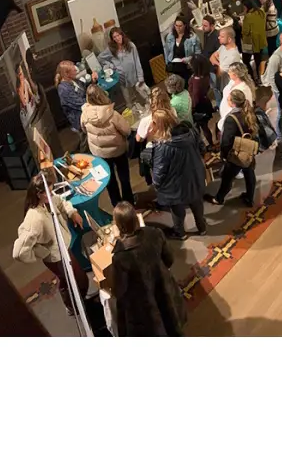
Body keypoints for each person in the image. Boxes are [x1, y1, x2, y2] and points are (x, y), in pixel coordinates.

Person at [13, 173, 88, 317]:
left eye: (51, 189)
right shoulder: (34, 219)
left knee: (69, 279)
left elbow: (60, 201)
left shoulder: (48, 199)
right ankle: (73, 306)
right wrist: (42, 252)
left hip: (63, 248)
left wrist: (72, 212)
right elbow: (19, 252)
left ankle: (72, 304)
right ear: (38, 194)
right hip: (56, 257)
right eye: (48, 191)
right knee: (79, 280)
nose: (51, 193)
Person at [109, 201, 187, 336]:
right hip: (165, 290)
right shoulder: (155, 233)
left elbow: (120, 291)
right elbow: (169, 260)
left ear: (119, 226)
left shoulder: (120, 257)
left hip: (144, 308)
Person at [148, 108, 207, 239]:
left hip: (175, 184)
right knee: (197, 203)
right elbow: (202, 148)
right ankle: (202, 227)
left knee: (177, 209)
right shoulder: (190, 131)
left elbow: (159, 172)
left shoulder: (163, 145)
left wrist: (156, 185)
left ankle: (180, 233)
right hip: (194, 175)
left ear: (158, 125)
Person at [80, 84, 135, 206]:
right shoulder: (112, 114)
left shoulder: (84, 114)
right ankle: (129, 202)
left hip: (99, 153)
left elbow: (84, 130)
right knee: (124, 177)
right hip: (118, 150)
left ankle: (116, 204)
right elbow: (126, 131)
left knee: (109, 180)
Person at [211, 87, 259, 207]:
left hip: (237, 153)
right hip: (249, 149)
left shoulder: (231, 119)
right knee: (249, 173)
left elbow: (226, 141)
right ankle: (249, 198)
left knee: (227, 178)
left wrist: (224, 155)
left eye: (228, 99)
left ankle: (219, 198)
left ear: (232, 103)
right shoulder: (248, 112)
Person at [97, 27, 144, 92]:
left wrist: (140, 77)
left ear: (121, 35)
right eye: (114, 37)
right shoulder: (111, 49)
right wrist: (111, 65)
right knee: (128, 98)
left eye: (118, 35)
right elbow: (100, 58)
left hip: (134, 77)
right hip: (122, 80)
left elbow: (137, 61)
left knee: (142, 94)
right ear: (112, 39)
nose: (117, 38)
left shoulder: (131, 45)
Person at [188, 55, 216, 150]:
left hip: (198, 107)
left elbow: (195, 97)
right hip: (205, 103)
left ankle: (203, 147)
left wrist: (192, 108)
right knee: (205, 127)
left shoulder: (196, 81)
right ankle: (211, 144)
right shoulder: (205, 75)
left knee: (200, 128)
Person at [218, 61, 256, 133]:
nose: (228, 73)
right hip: (227, 116)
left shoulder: (243, 89)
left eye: (230, 71)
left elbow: (240, 106)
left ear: (235, 74)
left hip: (235, 119)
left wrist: (228, 117)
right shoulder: (232, 81)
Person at [210, 26, 243, 106]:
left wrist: (217, 62)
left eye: (222, 36)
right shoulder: (223, 47)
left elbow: (219, 73)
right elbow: (211, 57)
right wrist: (219, 64)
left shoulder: (232, 55)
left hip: (227, 86)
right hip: (221, 84)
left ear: (229, 39)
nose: (219, 38)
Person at [162, 15, 199, 81]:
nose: (178, 28)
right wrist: (167, 63)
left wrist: (189, 59)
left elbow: (198, 53)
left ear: (185, 25)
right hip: (174, 67)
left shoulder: (193, 37)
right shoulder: (170, 37)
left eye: (180, 26)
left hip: (187, 67)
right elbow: (167, 52)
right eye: (176, 25)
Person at [241, 0, 267, 75]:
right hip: (261, 39)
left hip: (251, 42)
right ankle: (260, 75)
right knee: (258, 59)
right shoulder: (261, 11)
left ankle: (252, 77)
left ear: (246, 6)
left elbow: (245, 32)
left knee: (245, 60)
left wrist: (242, 24)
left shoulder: (248, 16)